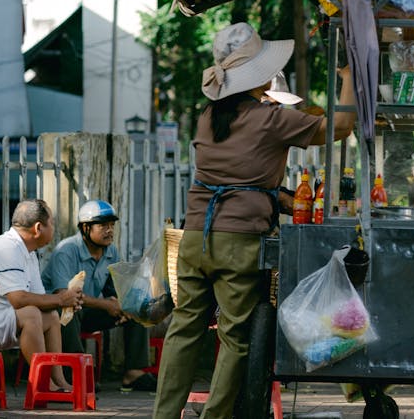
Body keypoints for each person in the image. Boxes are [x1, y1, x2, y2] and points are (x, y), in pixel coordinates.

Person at [153, 23, 358, 419]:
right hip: (239, 242)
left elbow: (237, 174)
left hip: (194, 236)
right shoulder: (271, 118)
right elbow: (342, 126)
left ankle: (162, 416)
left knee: (183, 331)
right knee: (235, 337)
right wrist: (348, 79)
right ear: (257, 77)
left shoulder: (208, 116)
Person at [0, 199, 83, 391]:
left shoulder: (28, 252)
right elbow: (18, 299)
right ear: (38, 228)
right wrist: (60, 299)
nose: (54, 228)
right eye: (52, 223)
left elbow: (39, 299)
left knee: (51, 316)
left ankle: (59, 380)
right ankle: (43, 383)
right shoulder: (7, 249)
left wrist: (66, 302)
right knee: (31, 314)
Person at [41, 199, 157, 392]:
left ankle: (134, 372)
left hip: (88, 311)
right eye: (103, 226)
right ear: (86, 228)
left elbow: (118, 289)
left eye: (112, 225)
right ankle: (75, 373)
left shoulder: (111, 251)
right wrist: (107, 305)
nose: (109, 230)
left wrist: (126, 303)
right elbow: (64, 296)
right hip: (56, 315)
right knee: (69, 310)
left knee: (134, 306)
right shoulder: (66, 250)